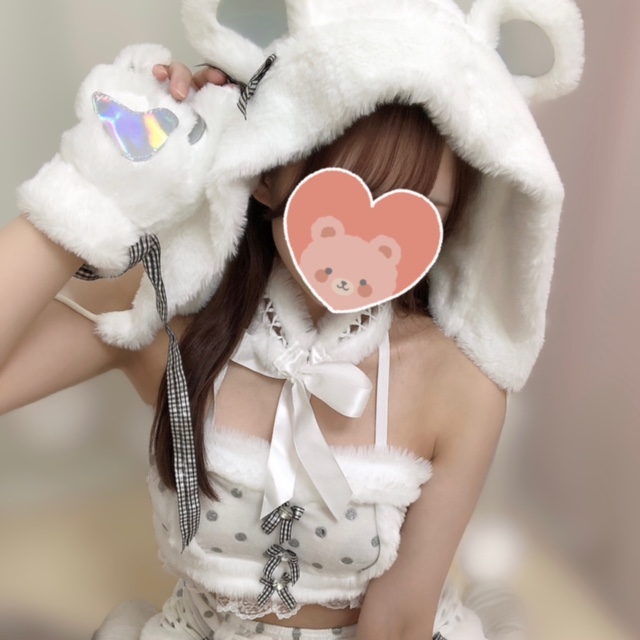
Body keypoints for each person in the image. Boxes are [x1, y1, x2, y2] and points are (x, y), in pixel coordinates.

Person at [0, 1, 585, 639]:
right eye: (338, 192)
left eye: (418, 213)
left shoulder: (460, 385)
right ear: (267, 171)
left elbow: (397, 621)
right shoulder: (167, 323)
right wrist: (99, 179)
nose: (363, 249)